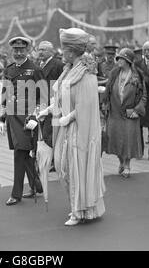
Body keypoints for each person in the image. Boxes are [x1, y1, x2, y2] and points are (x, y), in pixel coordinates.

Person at [38, 28, 105, 226]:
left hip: (78, 130)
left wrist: (69, 117)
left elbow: (86, 105)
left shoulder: (85, 73)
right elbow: (61, 96)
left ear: (72, 51)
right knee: (62, 166)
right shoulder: (69, 69)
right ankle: (76, 206)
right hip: (66, 128)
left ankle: (80, 210)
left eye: (64, 48)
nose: (61, 51)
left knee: (74, 168)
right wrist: (48, 110)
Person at [0, 36, 44, 206]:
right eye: (15, 50)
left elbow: (43, 97)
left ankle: (16, 194)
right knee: (22, 152)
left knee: (20, 152)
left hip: (27, 118)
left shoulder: (35, 69)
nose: (18, 52)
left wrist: (36, 116)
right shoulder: (9, 70)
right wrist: (2, 118)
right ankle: (36, 185)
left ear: (27, 50)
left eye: (21, 50)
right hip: (12, 117)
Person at [103, 48, 147, 178]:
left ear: (128, 61)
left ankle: (127, 165)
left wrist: (137, 110)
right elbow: (108, 91)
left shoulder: (137, 76)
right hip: (115, 113)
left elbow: (143, 96)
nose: (118, 61)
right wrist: (105, 105)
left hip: (130, 113)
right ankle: (121, 161)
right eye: (118, 58)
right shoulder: (114, 74)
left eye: (121, 58)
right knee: (115, 140)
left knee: (128, 140)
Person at [36, 41, 64, 168]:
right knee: (43, 131)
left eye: (43, 50)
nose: (40, 52)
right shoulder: (39, 65)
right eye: (39, 49)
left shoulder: (58, 65)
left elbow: (63, 84)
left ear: (51, 52)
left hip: (53, 104)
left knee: (50, 133)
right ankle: (50, 158)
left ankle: (55, 160)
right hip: (40, 103)